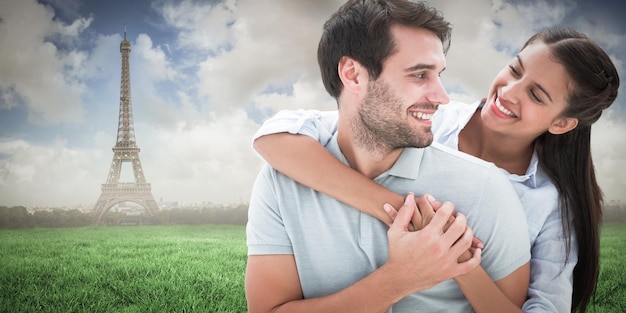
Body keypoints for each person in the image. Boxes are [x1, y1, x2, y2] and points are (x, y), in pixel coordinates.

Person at [253, 25, 620, 313]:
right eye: (514, 70)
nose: (509, 92)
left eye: (536, 95)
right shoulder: (426, 117)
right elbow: (275, 138)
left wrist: (455, 257)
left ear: (562, 124)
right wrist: (397, 209)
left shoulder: (549, 205)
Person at [245, 1, 531, 312]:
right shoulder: (280, 183)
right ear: (353, 75)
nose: (442, 97)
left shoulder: (485, 188)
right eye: (420, 75)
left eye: (439, 75)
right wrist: (400, 279)